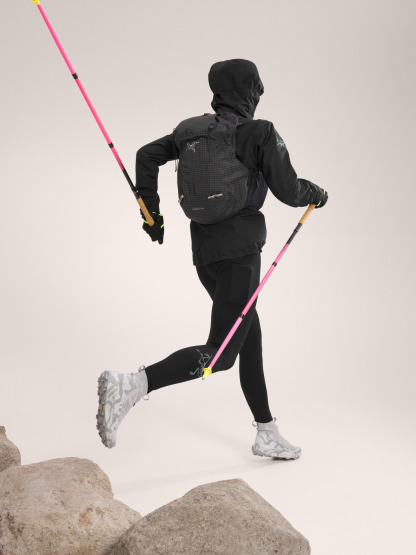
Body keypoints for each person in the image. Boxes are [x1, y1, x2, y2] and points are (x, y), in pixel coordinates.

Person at [96, 59, 328, 458]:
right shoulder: (258, 132)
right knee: (220, 353)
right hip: (241, 255)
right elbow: (290, 191)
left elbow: (146, 155)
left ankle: (267, 431)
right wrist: (316, 193)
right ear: (249, 91)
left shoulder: (190, 131)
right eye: (256, 88)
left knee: (248, 338)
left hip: (206, 257)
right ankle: (132, 385)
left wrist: (152, 214)